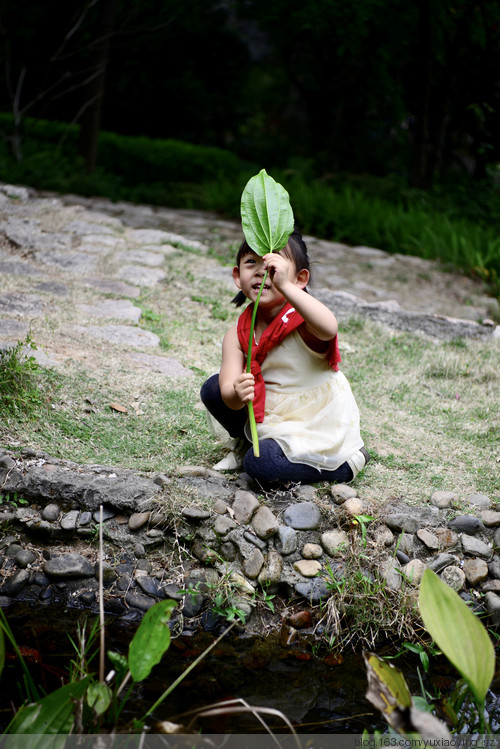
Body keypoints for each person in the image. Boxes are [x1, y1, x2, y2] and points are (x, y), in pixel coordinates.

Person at [200, 230, 369, 488]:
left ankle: (345, 465)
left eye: (272, 264)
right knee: (213, 389)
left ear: (300, 279)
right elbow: (228, 397)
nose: (260, 270)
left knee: (260, 466)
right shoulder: (236, 334)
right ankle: (246, 445)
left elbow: (329, 327)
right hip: (273, 413)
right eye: (251, 263)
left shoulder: (305, 323)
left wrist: (286, 287)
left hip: (314, 422)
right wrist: (236, 393)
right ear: (237, 276)